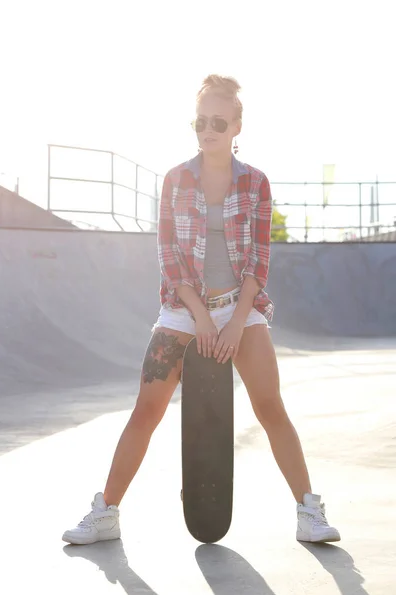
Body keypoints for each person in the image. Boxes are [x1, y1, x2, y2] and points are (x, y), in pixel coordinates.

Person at [62, 74, 340, 545]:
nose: (207, 129)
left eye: (218, 121)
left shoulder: (255, 183)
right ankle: (105, 512)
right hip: (183, 307)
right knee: (146, 409)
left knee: (271, 407)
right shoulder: (176, 179)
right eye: (200, 121)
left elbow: (259, 261)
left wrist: (234, 323)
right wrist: (203, 319)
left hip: (241, 308)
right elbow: (169, 258)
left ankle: (308, 512)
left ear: (236, 127)